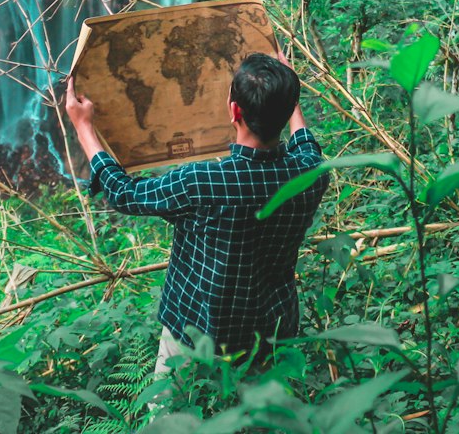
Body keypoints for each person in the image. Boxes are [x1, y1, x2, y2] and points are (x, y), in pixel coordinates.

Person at [64, 52, 329, 372]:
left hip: (198, 334)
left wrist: (84, 128)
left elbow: (124, 193)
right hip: (271, 331)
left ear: (234, 110)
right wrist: (288, 95)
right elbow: (305, 144)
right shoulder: (310, 174)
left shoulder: (201, 182)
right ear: (286, 111)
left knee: (168, 421)